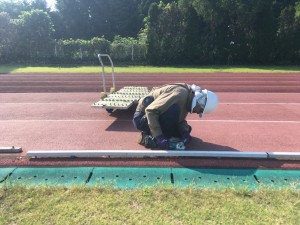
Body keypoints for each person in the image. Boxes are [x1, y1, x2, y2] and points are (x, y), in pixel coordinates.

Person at [132, 83, 219, 149]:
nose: (197, 113)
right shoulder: (180, 95)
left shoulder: (188, 97)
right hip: (141, 118)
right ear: (199, 103)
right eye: (200, 111)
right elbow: (150, 111)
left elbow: (179, 119)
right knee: (172, 114)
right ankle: (148, 138)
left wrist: (184, 132)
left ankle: (159, 135)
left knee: (185, 129)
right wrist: (159, 137)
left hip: (153, 114)